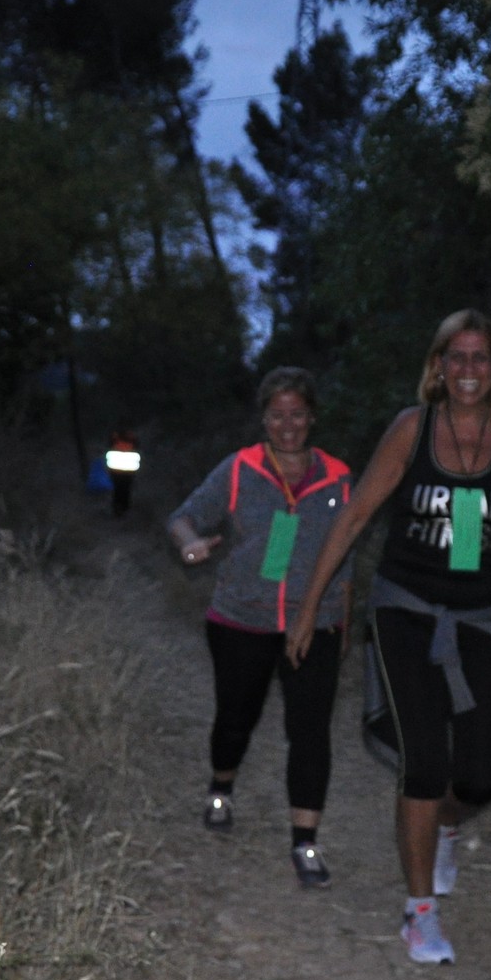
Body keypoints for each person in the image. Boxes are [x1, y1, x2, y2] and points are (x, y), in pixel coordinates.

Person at [289, 311, 491, 963]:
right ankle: (419, 911)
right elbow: (355, 517)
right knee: (423, 760)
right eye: (457, 357)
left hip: (482, 617)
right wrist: (308, 606)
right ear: (439, 366)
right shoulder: (412, 429)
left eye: (481, 358)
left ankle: (445, 824)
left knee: (480, 777)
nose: (469, 369)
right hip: (405, 609)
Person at [169, 369, 354, 887]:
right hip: (241, 618)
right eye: (277, 415)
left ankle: (305, 842)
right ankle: (221, 788)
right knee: (236, 717)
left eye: (297, 414)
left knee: (310, 731)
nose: (287, 425)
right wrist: (189, 544)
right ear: (264, 418)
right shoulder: (239, 469)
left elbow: (347, 556)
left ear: (312, 417)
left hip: (313, 620)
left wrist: (341, 624)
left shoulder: (339, 477)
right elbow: (184, 517)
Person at [106, 427, 141, 516]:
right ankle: (122, 508)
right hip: (124, 469)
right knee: (124, 489)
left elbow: (108, 447)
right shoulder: (130, 437)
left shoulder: (115, 437)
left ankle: (119, 508)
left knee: (120, 489)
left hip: (119, 469)